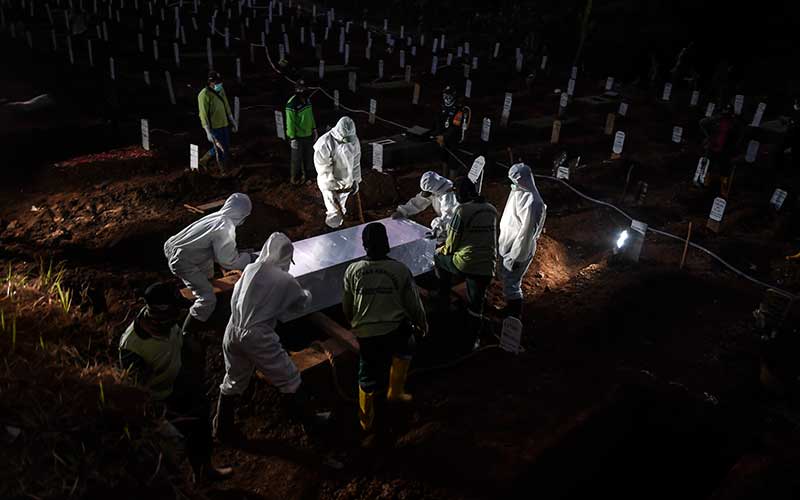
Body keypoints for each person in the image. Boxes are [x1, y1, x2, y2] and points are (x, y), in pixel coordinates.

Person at [214, 233, 328, 441]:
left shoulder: (250, 269)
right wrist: (309, 290)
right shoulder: (285, 280)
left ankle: (222, 426)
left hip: (233, 329)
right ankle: (311, 423)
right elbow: (301, 304)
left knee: (233, 379)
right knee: (290, 378)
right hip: (257, 336)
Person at [119, 282, 232, 482]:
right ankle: (178, 485)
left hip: (177, 385)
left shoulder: (169, 324)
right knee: (173, 446)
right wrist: (161, 418)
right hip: (158, 402)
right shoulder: (133, 348)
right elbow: (137, 392)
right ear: (160, 313)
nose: (179, 313)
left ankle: (204, 471)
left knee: (200, 423)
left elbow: (181, 342)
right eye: (174, 309)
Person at [342, 223, 428, 443]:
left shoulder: (352, 270)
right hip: (394, 330)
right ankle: (396, 392)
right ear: (387, 243)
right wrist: (422, 324)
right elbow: (413, 304)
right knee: (405, 348)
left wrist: (356, 323)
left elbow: (347, 306)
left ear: (364, 245)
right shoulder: (399, 269)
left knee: (367, 375)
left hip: (367, 334)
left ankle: (366, 421)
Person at [164, 193, 253, 336]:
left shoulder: (217, 217)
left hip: (179, 249)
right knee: (207, 297)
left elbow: (217, 252)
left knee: (209, 275)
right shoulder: (226, 229)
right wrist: (249, 258)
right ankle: (187, 332)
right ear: (243, 215)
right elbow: (228, 261)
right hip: (183, 261)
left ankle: (210, 307)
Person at [434, 178, 498, 341]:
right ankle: (474, 338)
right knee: (476, 305)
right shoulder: (491, 209)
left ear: (461, 194)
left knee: (439, 259)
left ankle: (443, 301)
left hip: (466, 263)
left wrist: (440, 250)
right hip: (488, 265)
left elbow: (451, 244)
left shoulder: (462, 210)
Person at [498, 163, 546, 319]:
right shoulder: (518, 191)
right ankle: (509, 310)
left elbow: (526, 234)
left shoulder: (533, 202)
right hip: (508, 243)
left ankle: (513, 316)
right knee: (507, 279)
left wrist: (517, 256)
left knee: (512, 282)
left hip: (518, 249)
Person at [314, 116, 362, 229]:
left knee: (342, 207)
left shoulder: (354, 140)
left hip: (347, 181)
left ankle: (340, 226)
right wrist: (330, 184)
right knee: (333, 210)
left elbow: (356, 161)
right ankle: (331, 230)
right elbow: (323, 167)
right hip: (330, 183)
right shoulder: (325, 143)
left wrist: (355, 179)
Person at [391, 171, 458, 243]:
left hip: (455, 227)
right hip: (445, 223)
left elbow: (449, 218)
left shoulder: (449, 195)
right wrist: (402, 211)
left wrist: (437, 230)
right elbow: (420, 200)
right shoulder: (436, 187)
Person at [700, 103, 742, 197]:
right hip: (713, 147)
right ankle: (705, 183)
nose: (726, 113)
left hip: (725, 150)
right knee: (709, 166)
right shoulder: (716, 120)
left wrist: (735, 149)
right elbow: (702, 122)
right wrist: (708, 137)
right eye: (724, 111)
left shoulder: (734, 123)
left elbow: (738, 137)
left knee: (725, 170)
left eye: (728, 112)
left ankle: (723, 188)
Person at [198, 71, 238, 170]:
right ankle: (222, 168)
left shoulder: (221, 90)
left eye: (220, 82)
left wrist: (232, 120)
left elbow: (226, 105)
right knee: (220, 148)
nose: (219, 84)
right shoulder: (203, 95)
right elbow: (203, 114)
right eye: (216, 82)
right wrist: (207, 131)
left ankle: (204, 160)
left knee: (226, 146)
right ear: (210, 83)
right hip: (214, 127)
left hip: (224, 123)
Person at [285, 80, 318, 185]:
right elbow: (290, 122)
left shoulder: (307, 100)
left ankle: (309, 177)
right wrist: (292, 137)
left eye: (304, 88)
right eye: (301, 89)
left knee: (309, 157)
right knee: (297, 159)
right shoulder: (292, 104)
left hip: (308, 135)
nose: (303, 90)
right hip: (298, 137)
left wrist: (314, 129)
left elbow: (311, 115)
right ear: (297, 89)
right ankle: (295, 179)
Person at [432, 86, 469, 178]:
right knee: (444, 159)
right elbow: (437, 122)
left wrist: (443, 137)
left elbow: (455, 127)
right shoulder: (441, 107)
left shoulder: (459, 109)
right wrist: (438, 135)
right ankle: (444, 178)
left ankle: (452, 183)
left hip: (454, 140)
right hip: (442, 139)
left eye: (449, 95)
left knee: (453, 162)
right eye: (445, 95)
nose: (447, 98)